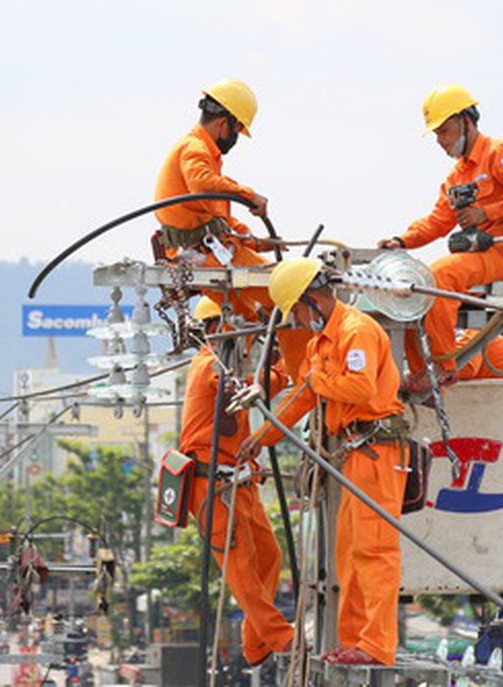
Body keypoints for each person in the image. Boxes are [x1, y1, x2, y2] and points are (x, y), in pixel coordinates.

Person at [240, 258, 407, 666]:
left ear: (311, 300)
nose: (296, 321)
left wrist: (316, 381)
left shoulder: (356, 331)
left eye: (296, 311)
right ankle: (356, 642)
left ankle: (377, 645)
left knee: (375, 551)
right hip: (355, 453)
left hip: (378, 452)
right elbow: (303, 397)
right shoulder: (322, 344)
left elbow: (361, 388)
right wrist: (260, 438)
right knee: (349, 555)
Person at [379, 84, 503, 388]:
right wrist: (402, 241)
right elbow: (438, 221)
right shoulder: (457, 177)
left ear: (466, 120)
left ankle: (441, 367)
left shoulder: (500, 152)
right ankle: (425, 371)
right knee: (414, 289)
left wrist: (488, 213)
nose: (441, 141)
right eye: (437, 134)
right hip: (480, 255)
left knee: (439, 276)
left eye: (444, 131)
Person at [178, 296, 295, 666]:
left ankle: (256, 643)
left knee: (270, 556)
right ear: (215, 329)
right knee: (240, 566)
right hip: (210, 486)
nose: (244, 339)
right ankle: (280, 638)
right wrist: (281, 372)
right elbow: (242, 389)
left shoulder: (228, 364)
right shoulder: (208, 366)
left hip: (239, 482)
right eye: (235, 331)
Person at [154, 78, 275, 322]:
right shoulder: (195, 148)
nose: (236, 138)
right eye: (237, 130)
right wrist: (248, 195)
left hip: (202, 251)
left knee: (246, 316)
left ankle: (255, 358)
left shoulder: (205, 156)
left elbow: (219, 218)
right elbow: (201, 184)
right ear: (223, 124)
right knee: (284, 292)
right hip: (202, 253)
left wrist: (256, 242)